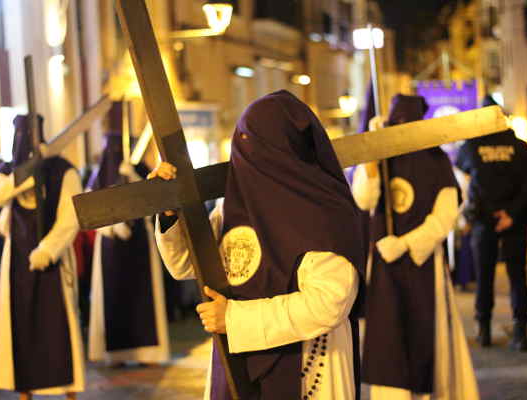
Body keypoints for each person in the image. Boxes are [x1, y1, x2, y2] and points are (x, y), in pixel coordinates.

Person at [152, 90, 365, 399]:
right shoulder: (234, 208)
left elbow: (330, 303)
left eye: (251, 142)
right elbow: (185, 264)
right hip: (236, 361)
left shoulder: (325, 211)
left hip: (310, 362)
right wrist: (171, 209)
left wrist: (235, 319)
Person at [353, 94, 479, 400]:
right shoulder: (381, 156)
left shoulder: (436, 160)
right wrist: (371, 157)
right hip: (383, 263)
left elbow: (445, 216)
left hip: (424, 265)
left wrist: (407, 243)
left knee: (426, 337)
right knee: (388, 339)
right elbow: (364, 200)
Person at [0, 115, 84, 400]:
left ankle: (66, 386)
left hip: (52, 259)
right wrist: (27, 173)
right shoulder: (7, 170)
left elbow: (70, 216)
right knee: (21, 324)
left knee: (57, 325)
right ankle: (25, 387)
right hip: (16, 259)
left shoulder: (62, 169)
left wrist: (48, 249)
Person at [455, 95, 527, 351]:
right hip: (512, 222)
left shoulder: (470, 147)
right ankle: (520, 330)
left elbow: (468, 184)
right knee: (517, 277)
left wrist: (488, 213)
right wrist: (512, 214)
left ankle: (484, 329)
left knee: (484, 277)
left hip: (484, 221)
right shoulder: (520, 147)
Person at [87, 133, 169, 366]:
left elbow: (155, 196)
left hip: (139, 242)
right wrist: (114, 225)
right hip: (111, 244)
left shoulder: (137, 170)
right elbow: (91, 210)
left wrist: (133, 177)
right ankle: (115, 355)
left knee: (142, 297)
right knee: (113, 295)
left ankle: (146, 352)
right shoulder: (99, 177)